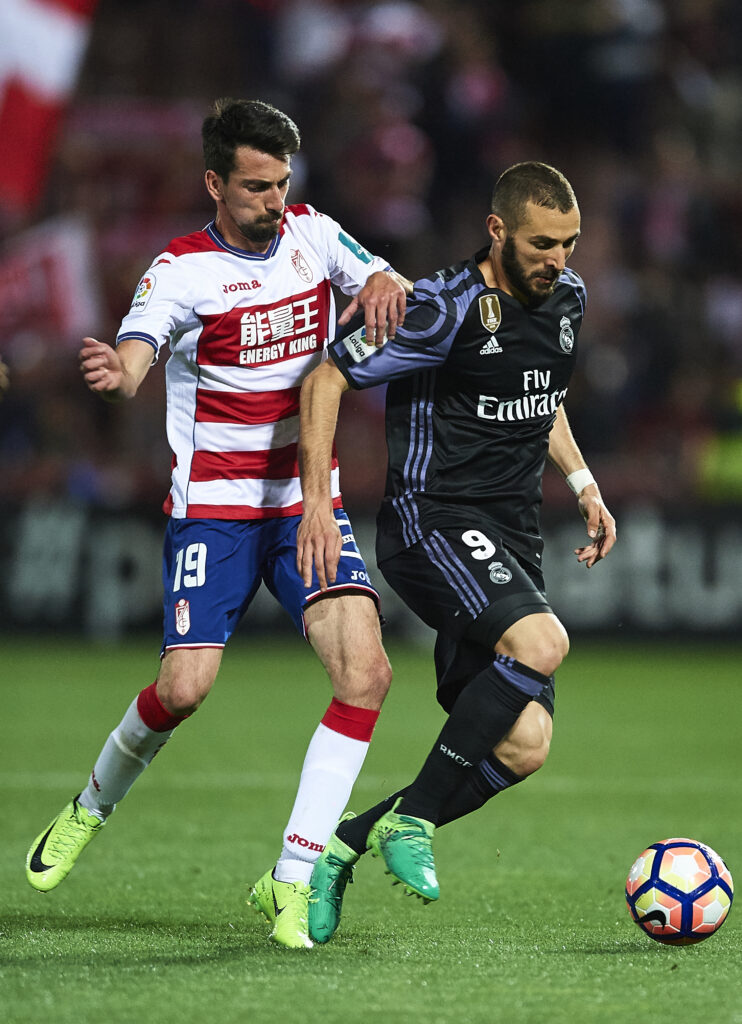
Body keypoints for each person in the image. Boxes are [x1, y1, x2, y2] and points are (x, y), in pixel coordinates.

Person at [25, 98, 410, 950]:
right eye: (255, 187)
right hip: (215, 515)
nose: (274, 201)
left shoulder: (313, 234)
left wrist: (385, 280)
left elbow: (383, 280)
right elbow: (135, 359)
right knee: (183, 690)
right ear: (214, 183)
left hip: (307, 505)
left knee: (366, 673)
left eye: (282, 183)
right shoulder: (181, 272)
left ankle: (292, 878)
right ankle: (91, 805)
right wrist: (114, 371)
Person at [297, 161, 617, 943]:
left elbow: (542, 396)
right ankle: (411, 824)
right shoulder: (441, 309)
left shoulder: (566, 300)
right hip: (429, 520)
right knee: (544, 644)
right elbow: (328, 376)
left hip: (510, 533)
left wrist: (582, 481)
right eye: (543, 243)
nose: (559, 260)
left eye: (570, 243)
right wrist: (314, 499)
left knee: (526, 745)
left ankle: (345, 845)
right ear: (498, 230)